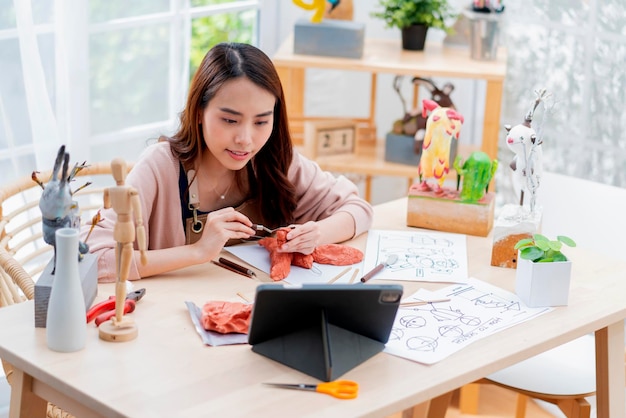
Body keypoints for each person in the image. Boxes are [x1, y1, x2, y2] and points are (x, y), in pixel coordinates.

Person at [82, 42, 373, 282]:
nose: (245, 139)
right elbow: (96, 259)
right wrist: (198, 251)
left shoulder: (272, 160)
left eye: (261, 121)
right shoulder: (160, 167)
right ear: (199, 112)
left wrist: (317, 233)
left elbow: (358, 210)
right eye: (230, 120)